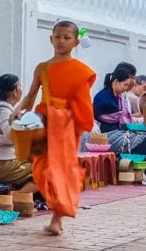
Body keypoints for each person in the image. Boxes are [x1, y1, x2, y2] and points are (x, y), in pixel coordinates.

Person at [17, 21, 95, 236]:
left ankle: (57, 218)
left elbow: (83, 103)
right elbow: (31, 95)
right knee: (41, 170)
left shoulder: (80, 71)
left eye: (66, 38)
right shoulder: (42, 67)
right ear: (51, 38)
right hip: (44, 123)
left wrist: (73, 119)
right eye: (57, 36)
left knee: (61, 170)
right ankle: (57, 214)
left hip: (66, 126)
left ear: (75, 42)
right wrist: (17, 111)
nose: (61, 41)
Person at [0, 74, 35, 190]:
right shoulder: (3, 110)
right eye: (20, 86)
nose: (21, 90)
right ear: (15, 91)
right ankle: (17, 198)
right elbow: (11, 136)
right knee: (44, 170)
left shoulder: (2, 109)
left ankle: (16, 194)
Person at [93, 63, 146, 161]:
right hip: (107, 136)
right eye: (125, 84)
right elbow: (116, 123)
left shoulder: (119, 97)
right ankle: (144, 170)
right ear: (116, 82)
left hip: (120, 132)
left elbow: (124, 120)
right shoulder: (103, 97)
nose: (127, 87)